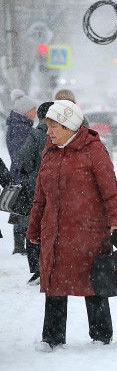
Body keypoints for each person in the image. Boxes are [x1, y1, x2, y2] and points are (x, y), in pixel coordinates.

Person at [25, 100, 117, 350]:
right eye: (48, 125)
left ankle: (102, 337)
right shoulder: (50, 148)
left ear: (70, 127)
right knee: (55, 284)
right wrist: (34, 226)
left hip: (88, 232)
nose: (49, 131)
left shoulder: (93, 150)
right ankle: (52, 338)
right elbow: (40, 194)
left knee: (94, 283)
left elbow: (111, 189)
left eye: (54, 126)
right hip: (56, 231)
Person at [16, 101, 54, 285]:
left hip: (35, 188)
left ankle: (37, 268)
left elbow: (23, 160)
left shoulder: (35, 134)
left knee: (34, 225)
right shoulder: (60, 135)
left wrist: (31, 174)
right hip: (55, 188)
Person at [5, 89, 38, 254]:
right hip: (21, 173)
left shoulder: (19, 125)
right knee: (22, 209)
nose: (36, 112)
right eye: (33, 109)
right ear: (26, 111)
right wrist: (27, 170)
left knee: (21, 208)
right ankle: (19, 246)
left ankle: (20, 245)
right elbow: (20, 155)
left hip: (19, 172)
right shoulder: (20, 128)